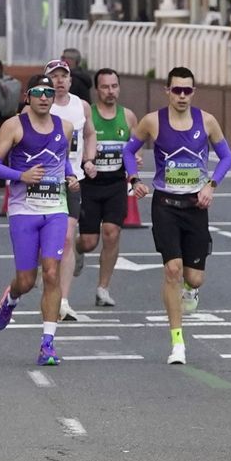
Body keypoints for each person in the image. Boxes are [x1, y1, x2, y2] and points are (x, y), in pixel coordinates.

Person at [121, 66, 231, 365]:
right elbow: (127, 151)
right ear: (167, 91)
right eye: (177, 90)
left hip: (196, 206)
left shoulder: (207, 121)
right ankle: (177, 342)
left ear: (193, 92)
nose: (182, 95)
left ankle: (190, 290)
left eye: (187, 90)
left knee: (194, 278)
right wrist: (134, 180)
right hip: (166, 204)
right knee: (172, 269)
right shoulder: (152, 122)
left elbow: (227, 157)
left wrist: (211, 186)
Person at [0, 75, 79, 366]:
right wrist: (21, 176)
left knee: (51, 272)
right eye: (38, 92)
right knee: (27, 280)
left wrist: (70, 175)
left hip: (55, 209)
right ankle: (11, 299)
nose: (44, 97)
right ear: (28, 95)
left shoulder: (64, 127)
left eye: (49, 93)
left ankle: (47, 344)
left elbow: (60, 158)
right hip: (23, 210)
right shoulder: (13, 126)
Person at [77, 68, 139, 308]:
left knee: (112, 233)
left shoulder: (129, 117)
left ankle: (103, 289)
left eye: (114, 86)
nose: (110, 91)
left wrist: (134, 162)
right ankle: (77, 249)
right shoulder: (86, 115)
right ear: (97, 89)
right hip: (90, 185)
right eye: (105, 87)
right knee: (90, 241)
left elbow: (133, 149)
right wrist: (85, 161)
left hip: (115, 184)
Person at [46, 58, 93, 321]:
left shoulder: (81, 106)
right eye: (54, 76)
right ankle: (48, 281)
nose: (59, 81)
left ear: (70, 80)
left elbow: (90, 133)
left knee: (66, 237)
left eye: (63, 76)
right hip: (43, 182)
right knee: (49, 241)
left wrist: (88, 159)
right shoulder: (40, 106)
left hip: (73, 179)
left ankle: (63, 300)